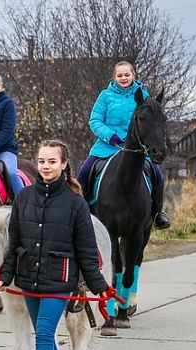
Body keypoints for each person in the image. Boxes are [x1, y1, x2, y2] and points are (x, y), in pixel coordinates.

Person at [0, 140, 112, 350]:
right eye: (41, 161)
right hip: (29, 280)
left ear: (63, 165)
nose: (45, 167)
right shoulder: (23, 198)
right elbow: (14, 246)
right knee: (42, 336)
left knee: (45, 335)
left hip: (59, 281)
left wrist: (100, 288)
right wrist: (5, 276)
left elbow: (86, 251)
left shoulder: (75, 204)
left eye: (51, 162)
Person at [78, 61, 171, 229]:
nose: (123, 78)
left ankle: (157, 214)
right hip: (108, 146)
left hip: (137, 148)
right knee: (85, 171)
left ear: (133, 75)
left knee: (157, 175)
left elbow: (150, 123)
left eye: (127, 75)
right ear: (114, 77)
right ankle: (81, 212)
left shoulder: (144, 96)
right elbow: (95, 121)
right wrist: (110, 136)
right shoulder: (105, 96)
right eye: (119, 75)